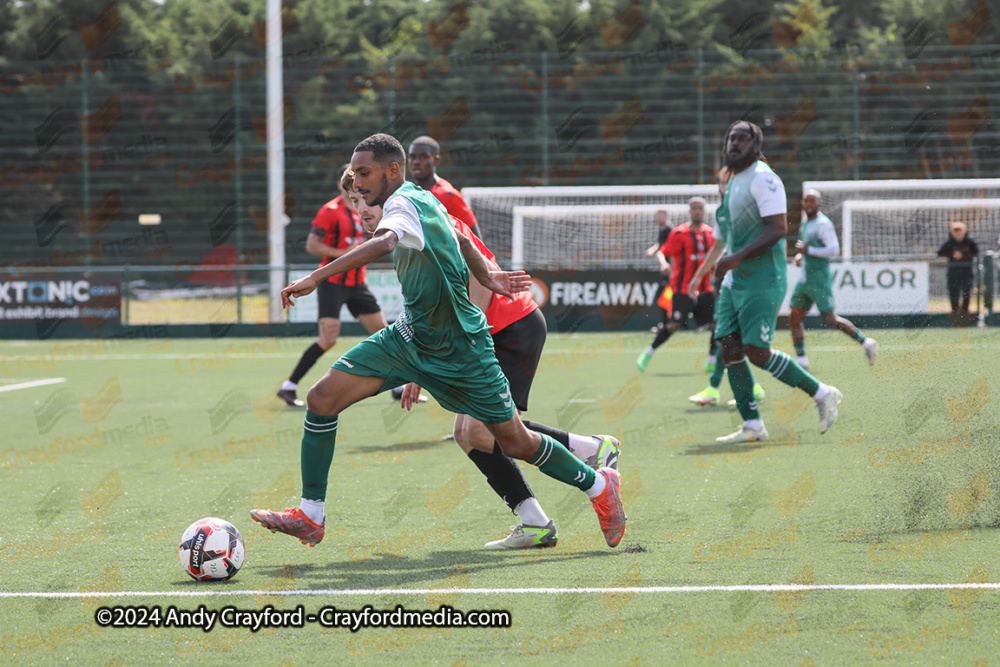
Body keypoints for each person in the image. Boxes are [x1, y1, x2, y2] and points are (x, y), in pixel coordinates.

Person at [251, 134, 626, 549]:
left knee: (511, 440)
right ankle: (311, 515)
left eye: (363, 174)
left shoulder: (403, 205)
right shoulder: (421, 198)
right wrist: (487, 275)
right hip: (410, 337)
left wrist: (315, 276)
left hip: (463, 348)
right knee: (322, 399)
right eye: (353, 175)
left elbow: (385, 243)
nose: (356, 184)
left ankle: (596, 484)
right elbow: (462, 238)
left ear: (393, 171)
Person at [341, 171, 620, 549]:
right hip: (491, 332)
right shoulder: (408, 221)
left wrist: (430, 362)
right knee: (470, 433)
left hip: (509, 330)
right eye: (352, 202)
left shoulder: (419, 220)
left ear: (385, 191)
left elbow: (477, 297)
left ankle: (587, 458)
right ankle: (542, 512)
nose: (359, 209)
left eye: (362, 198)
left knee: (482, 432)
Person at [694, 120, 841, 443]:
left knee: (757, 351)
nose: (734, 143)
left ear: (756, 145)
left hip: (763, 277)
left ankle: (822, 393)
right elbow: (728, 237)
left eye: (743, 139)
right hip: (736, 279)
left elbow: (778, 228)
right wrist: (722, 265)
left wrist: (736, 257)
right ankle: (753, 425)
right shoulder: (733, 182)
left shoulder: (764, 178)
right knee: (729, 346)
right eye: (731, 137)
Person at [277, 165, 388, 407]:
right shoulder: (330, 211)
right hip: (333, 282)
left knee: (384, 334)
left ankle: (399, 387)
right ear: (341, 185)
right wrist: (342, 254)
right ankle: (289, 386)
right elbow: (312, 245)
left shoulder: (367, 209)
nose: (354, 186)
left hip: (357, 282)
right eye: (349, 182)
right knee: (328, 339)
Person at [789, 189, 878, 370]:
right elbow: (808, 249)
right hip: (805, 279)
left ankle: (865, 342)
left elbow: (833, 250)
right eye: (806, 202)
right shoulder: (806, 224)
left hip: (819, 278)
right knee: (794, 319)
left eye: (812, 201)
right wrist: (801, 258)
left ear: (820, 204)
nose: (808, 205)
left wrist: (809, 251)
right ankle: (802, 361)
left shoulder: (823, 224)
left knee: (829, 318)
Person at [637, 198, 716, 372]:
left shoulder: (710, 234)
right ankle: (648, 352)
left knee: (718, 324)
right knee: (674, 325)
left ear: (705, 211)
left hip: (704, 289)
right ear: (689, 212)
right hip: (682, 290)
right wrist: (664, 263)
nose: (697, 211)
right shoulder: (679, 233)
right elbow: (662, 252)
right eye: (694, 208)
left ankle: (711, 360)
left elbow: (715, 257)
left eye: (700, 208)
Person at [407, 135, 481, 237]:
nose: (416, 162)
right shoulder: (408, 193)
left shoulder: (449, 195)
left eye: (423, 156)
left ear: (436, 160)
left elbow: (476, 239)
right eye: (413, 157)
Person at [938, 221, 979, 314]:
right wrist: (952, 255)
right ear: (952, 232)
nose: (958, 233)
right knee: (953, 293)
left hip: (967, 273)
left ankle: (965, 310)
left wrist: (963, 254)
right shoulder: (949, 243)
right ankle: (954, 311)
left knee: (966, 292)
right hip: (953, 273)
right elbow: (940, 253)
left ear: (964, 231)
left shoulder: (969, 242)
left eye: (960, 231)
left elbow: (976, 251)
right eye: (955, 231)